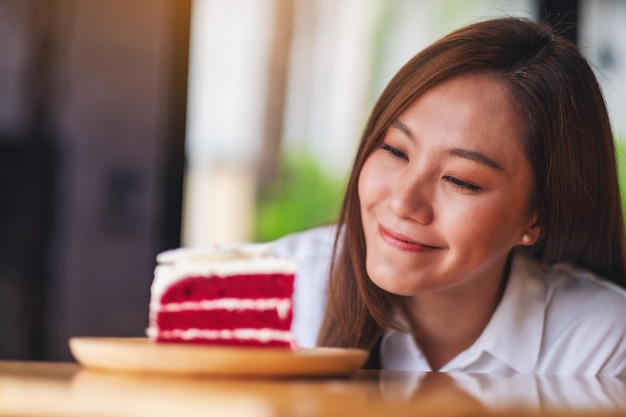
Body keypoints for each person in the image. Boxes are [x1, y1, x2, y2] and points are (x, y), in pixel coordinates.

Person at [271, 16, 626, 376]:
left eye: (460, 180)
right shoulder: (274, 291)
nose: (402, 202)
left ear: (537, 216)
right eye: (395, 150)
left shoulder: (596, 349)